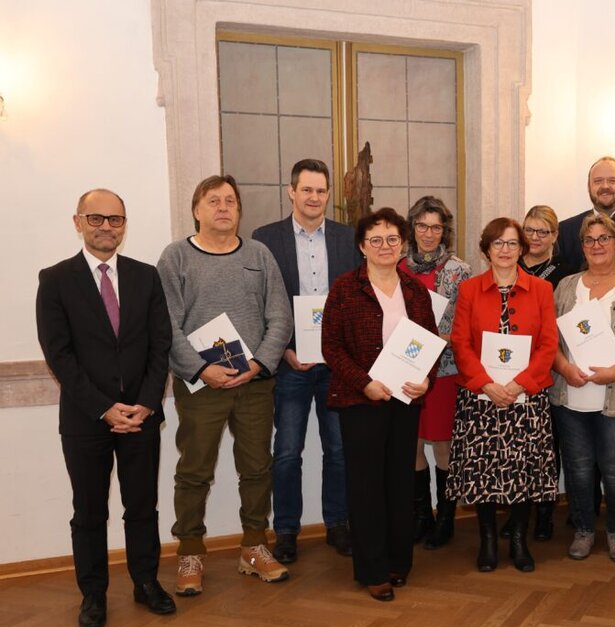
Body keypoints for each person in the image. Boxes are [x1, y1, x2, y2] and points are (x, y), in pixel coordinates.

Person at [36, 189, 175, 627]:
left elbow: (160, 346)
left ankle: (146, 583)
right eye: (96, 218)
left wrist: (146, 403)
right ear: (78, 222)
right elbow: (59, 356)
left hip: (141, 417)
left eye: (115, 219)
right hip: (86, 419)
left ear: (124, 225)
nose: (106, 227)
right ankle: (93, 595)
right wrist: (104, 408)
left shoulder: (145, 277)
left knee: (143, 507)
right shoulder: (55, 280)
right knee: (89, 513)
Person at [157, 175, 293, 596]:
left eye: (230, 201)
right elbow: (166, 324)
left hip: (253, 384)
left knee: (257, 467)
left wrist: (259, 363)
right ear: (196, 210)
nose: (223, 207)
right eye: (213, 200)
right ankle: (190, 552)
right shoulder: (176, 257)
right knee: (194, 470)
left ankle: (253, 546)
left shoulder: (259, 254)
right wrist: (201, 370)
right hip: (201, 386)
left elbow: (280, 317)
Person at [321, 208, 438, 602]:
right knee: (366, 486)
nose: (385, 246)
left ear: (402, 245)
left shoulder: (415, 290)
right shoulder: (344, 289)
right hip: (361, 401)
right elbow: (332, 348)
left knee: (399, 482)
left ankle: (398, 562)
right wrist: (365, 383)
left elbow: (430, 342)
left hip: (405, 399)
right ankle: (372, 569)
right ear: (362, 246)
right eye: (376, 239)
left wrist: (426, 379)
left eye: (392, 239)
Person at [252, 158, 359, 564]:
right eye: (307, 189)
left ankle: (338, 524)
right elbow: (260, 302)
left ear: (328, 195)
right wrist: (282, 349)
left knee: (339, 450)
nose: (314, 197)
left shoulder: (348, 239)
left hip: (337, 365)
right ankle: (286, 532)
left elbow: (355, 300)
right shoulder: (266, 239)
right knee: (287, 452)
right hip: (290, 362)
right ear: (292, 192)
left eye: (321, 190)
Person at [448, 218, 559, 572]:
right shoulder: (469, 289)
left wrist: (520, 384)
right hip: (481, 397)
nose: (506, 250)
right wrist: (486, 384)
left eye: (512, 243)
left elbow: (548, 344)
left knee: (522, 470)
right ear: (486, 250)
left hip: (526, 398)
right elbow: (460, 342)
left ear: (522, 249)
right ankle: (487, 542)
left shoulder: (541, 289)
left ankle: (519, 541)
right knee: (483, 470)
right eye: (498, 243)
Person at [551, 213, 615, 562]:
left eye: (604, 238)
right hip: (571, 396)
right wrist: (564, 368)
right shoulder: (566, 287)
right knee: (578, 470)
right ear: (582, 247)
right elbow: (549, 339)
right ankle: (583, 530)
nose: (597, 245)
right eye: (589, 240)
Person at [397, 195, 471, 549]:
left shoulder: (460, 270)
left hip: (444, 369)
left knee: (442, 445)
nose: (428, 234)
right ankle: (421, 515)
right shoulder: (397, 266)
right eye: (422, 226)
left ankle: (445, 518)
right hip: (405, 367)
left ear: (445, 231)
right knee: (411, 443)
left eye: (436, 227)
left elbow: (468, 325)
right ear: (412, 228)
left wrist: (442, 338)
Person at [503, 204, 572, 542]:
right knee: (513, 445)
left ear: (555, 236)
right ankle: (516, 511)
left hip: (550, 367)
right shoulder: (508, 267)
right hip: (508, 371)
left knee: (546, 446)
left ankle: (544, 512)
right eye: (529, 230)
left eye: (542, 232)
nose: (534, 237)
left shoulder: (566, 272)